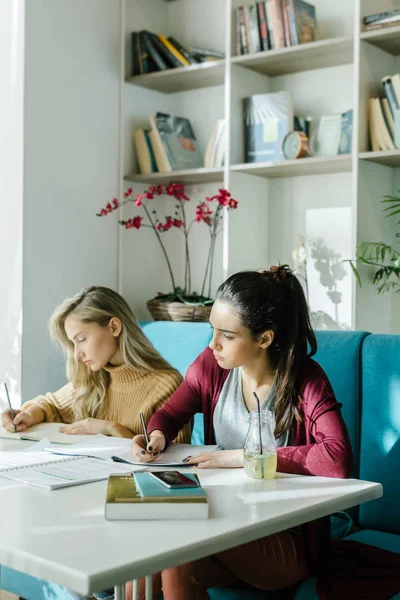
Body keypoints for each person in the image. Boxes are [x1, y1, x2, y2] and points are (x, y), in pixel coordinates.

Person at [129, 265, 354, 600]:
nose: (214, 344)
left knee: (172, 536)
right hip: (224, 515)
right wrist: (158, 435)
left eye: (227, 336)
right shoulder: (211, 365)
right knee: (160, 565)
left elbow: (337, 459)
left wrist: (242, 458)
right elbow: (170, 414)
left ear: (264, 338)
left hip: (283, 536)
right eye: (212, 330)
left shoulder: (305, 378)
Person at [1, 286, 190, 444]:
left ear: (114, 327)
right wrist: (27, 415)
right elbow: (51, 405)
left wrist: (110, 428)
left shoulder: (166, 385)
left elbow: (172, 461)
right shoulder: (96, 376)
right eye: (73, 343)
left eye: (82, 339)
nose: (77, 353)